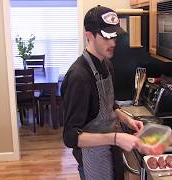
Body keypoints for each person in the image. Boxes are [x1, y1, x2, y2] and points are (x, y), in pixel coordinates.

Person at [61, 5, 149, 180]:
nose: (113, 43)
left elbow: (109, 104)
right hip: (92, 156)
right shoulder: (79, 77)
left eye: (114, 35)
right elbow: (70, 137)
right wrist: (116, 138)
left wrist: (127, 119)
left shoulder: (107, 64)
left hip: (110, 146)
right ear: (89, 36)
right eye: (106, 36)